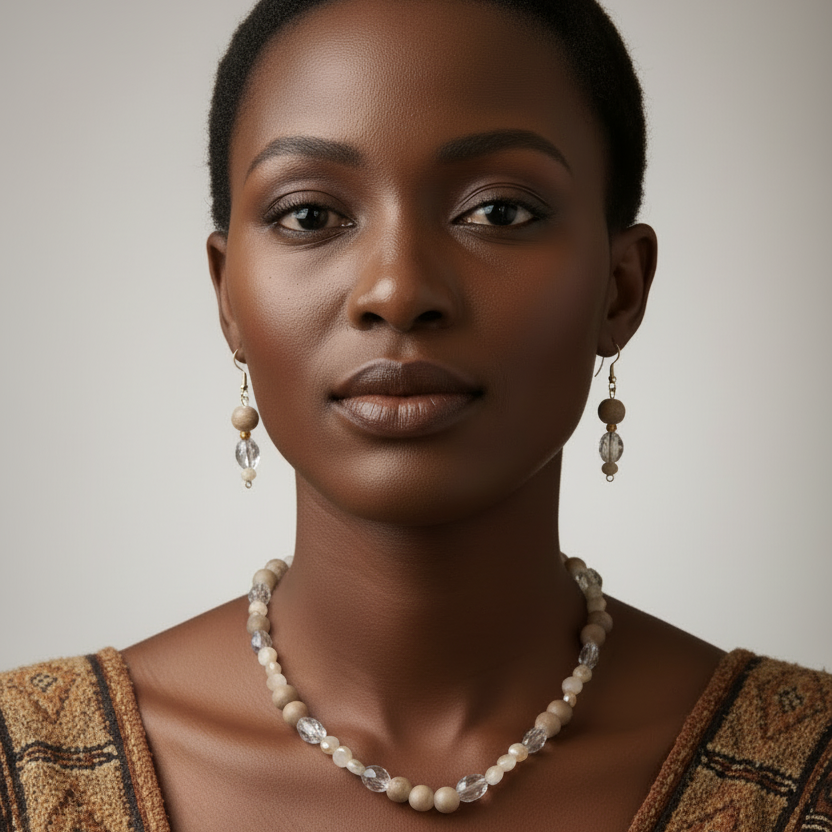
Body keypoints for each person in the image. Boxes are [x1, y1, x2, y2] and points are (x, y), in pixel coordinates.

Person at [1, 1, 830, 830]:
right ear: (229, 297)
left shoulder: (811, 768)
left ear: (621, 288)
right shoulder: (23, 769)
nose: (397, 290)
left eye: (498, 212)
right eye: (311, 216)